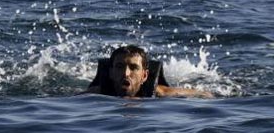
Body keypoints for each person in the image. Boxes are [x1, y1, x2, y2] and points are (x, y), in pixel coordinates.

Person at [84, 45, 213, 98]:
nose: (126, 73)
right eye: (119, 67)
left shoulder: (159, 92)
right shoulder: (97, 93)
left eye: (134, 68)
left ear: (144, 76)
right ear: (111, 72)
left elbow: (204, 95)